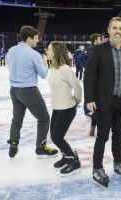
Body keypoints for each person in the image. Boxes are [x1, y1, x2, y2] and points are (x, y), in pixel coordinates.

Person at [84, 17, 121, 187]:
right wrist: (89, 98)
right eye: (115, 28)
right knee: (103, 136)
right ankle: (97, 168)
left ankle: (118, 162)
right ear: (109, 30)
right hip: (104, 102)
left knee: (119, 134)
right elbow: (89, 76)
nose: (118, 31)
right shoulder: (99, 50)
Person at [6, 25, 58, 159]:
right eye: (35, 38)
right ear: (28, 39)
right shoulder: (34, 54)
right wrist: (45, 64)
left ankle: (13, 144)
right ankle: (41, 147)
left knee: (17, 119)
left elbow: (10, 66)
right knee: (44, 118)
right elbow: (43, 75)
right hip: (28, 90)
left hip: (14, 90)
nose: (37, 41)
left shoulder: (11, 50)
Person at [46, 41, 82, 176]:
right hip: (56, 108)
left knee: (57, 137)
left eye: (49, 49)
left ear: (55, 52)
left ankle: (74, 161)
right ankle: (66, 156)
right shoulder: (54, 68)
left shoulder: (65, 69)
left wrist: (77, 100)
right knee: (54, 136)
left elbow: (77, 88)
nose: (47, 51)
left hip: (67, 108)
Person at [84, 33, 102, 136]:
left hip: (96, 78)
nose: (101, 40)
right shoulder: (93, 49)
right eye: (99, 39)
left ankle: (93, 128)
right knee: (99, 107)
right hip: (96, 80)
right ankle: (96, 128)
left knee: (97, 108)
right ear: (95, 40)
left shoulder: (94, 48)